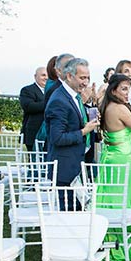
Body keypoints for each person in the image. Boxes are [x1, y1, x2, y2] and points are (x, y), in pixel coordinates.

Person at [96, 74, 131, 261]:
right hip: (122, 161)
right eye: (124, 89)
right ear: (114, 90)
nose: (128, 93)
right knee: (127, 200)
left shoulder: (109, 106)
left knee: (112, 201)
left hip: (112, 158)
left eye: (130, 88)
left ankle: (113, 240)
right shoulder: (118, 108)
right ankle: (124, 243)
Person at [45, 57, 101, 195]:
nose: (86, 82)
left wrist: (89, 119)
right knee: (68, 213)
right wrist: (84, 131)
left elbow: (73, 121)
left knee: (79, 211)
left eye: (88, 78)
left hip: (76, 165)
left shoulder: (74, 96)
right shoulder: (59, 100)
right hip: (65, 169)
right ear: (69, 76)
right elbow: (57, 138)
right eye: (82, 78)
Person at [19, 66, 47, 151]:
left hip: (48, 134)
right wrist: (50, 104)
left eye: (48, 76)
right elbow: (29, 106)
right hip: (33, 132)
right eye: (43, 75)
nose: (46, 78)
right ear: (35, 76)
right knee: (33, 161)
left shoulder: (53, 91)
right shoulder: (27, 90)